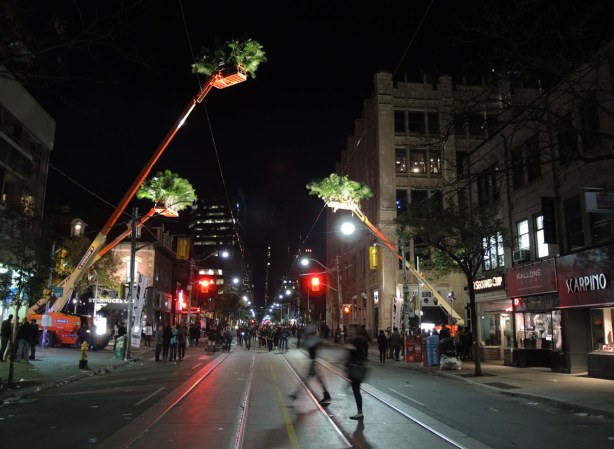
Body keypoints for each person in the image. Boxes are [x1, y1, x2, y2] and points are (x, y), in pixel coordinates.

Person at [290, 324, 331, 405]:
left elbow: (303, 345)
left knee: (306, 379)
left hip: (313, 362)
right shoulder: (313, 338)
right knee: (318, 380)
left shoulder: (311, 339)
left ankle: (296, 394)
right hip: (314, 362)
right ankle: (326, 395)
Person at [346, 326, 367, 420]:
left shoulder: (356, 343)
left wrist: (351, 348)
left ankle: (360, 412)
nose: (350, 334)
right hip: (356, 368)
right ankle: (359, 412)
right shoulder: (358, 342)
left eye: (352, 332)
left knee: (356, 391)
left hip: (356, 369)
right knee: (356, 390)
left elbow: (356, 355)